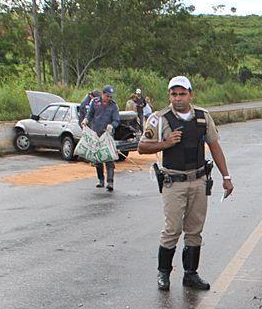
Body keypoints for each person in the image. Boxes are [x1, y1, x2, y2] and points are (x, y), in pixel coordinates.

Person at [138, 76, 233, 291]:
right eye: (174, 94)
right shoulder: (158, 118)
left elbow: (215, 147)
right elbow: (142, 147)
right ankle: (164, 274)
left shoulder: (202, 117)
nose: (178, 98)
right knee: (172, 229)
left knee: (194, 230)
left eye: (182, 94)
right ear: (169, 96)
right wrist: (166, 143)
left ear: (191, 94)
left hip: (198, 180)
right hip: (174, 182)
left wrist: (226, 177)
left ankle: (190, 274)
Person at [83, 85, 121, 191]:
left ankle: (110, 182)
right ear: (103, 94)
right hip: (96, 134)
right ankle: (100, 180)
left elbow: (116, 119)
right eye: (107, 96)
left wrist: (112, 125)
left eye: (111, 97)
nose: (109, 98)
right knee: (98, 159)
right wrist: (86, 120)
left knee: (109, 158)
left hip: (107, 135)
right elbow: (90, 114)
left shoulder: (113, 106)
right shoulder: (95, 102)